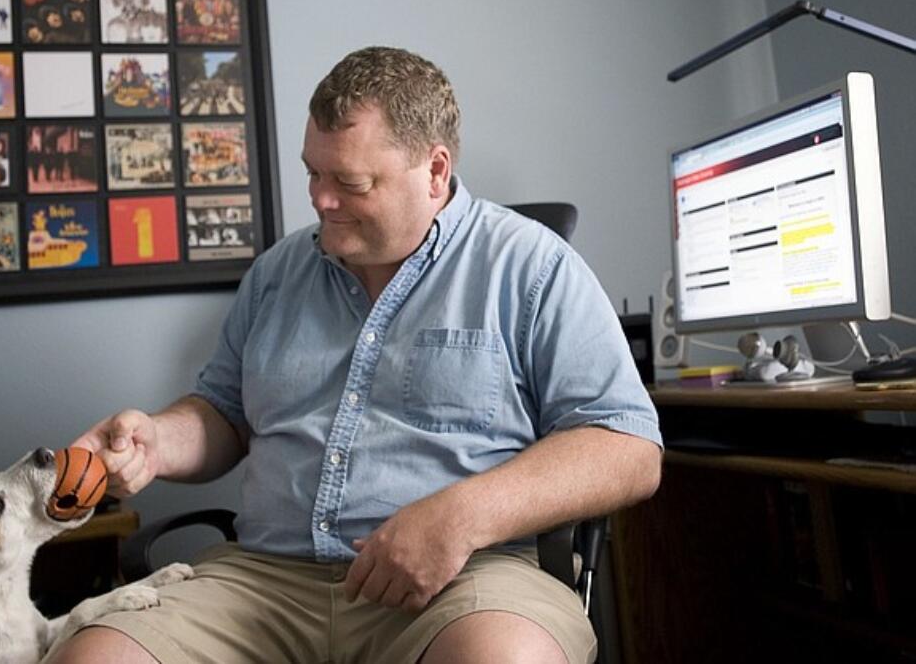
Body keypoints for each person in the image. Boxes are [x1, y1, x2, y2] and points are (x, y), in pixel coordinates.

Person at [51, 47, 662, 664]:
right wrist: (158, 439)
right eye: (313, 174)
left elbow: (627, 446)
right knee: (93, 657)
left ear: (435, 171)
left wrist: (461, 516)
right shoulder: (275, 275)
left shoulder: (532, 267)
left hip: (465, 583)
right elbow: (224, 414)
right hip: (266, 580)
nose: (320, 200)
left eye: (350, 182)